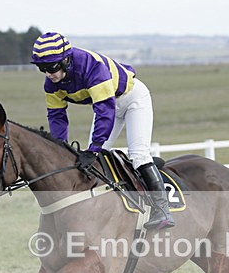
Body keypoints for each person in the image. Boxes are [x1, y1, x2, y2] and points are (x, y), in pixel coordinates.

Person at [31, 32, 174, 230]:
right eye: (42, 69)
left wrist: (94, 147)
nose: (48, 74)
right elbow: (57, 117)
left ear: (65, 60)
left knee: (138, 154)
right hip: (109, 106)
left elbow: (104, 111)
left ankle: (162, 210)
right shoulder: (51, 84)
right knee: (93, 163)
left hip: (133, 100)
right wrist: (60, 148)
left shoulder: (92, 67)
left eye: (52, 67)